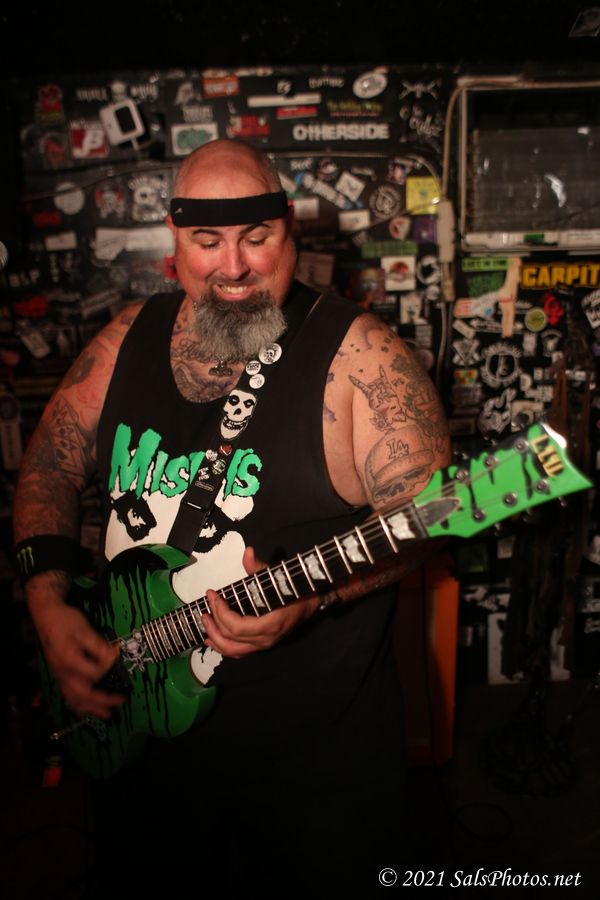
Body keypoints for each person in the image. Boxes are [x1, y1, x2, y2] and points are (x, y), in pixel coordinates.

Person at [13, 139, 450, 894]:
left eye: (256, 237)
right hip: (141, 741)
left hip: (315, 772)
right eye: (207, 240)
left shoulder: (362, 359)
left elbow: (433, 516)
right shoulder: (124, 341)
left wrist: (314, 596)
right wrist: (47, 603)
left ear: (291, 231)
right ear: (174, 241)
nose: (235, 266)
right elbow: (48, 464)